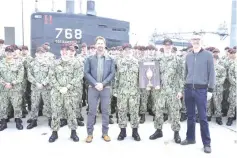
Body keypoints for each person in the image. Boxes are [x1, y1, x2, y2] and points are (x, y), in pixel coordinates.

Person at [180, 34, 215, 154]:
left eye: (198, 40)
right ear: (191, 41)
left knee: (203, 117)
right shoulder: (188, 56)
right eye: (194, 40)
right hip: (189, 89)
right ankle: (190, 138)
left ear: (201, 41)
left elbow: (212, 73)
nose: (196, 42)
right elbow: (185, 73)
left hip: (201, 90)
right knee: (190, 116)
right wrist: (182, 88)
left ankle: (207, 143)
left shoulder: (208, 55)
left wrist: (210, 89)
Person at [84, 36, 115, 143]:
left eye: (102, 43)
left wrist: (103, 83)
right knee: (92, 111)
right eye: (98, 43)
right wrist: (95, 83)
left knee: (106, 111)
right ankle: (89, 134)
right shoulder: (89, 58)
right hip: (93, 88)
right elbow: (86, 73)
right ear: (95, 45)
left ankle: (105, 133)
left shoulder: (110, 59)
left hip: (105, 88)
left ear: (104, 45)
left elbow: (112, 73)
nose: (100, 45)